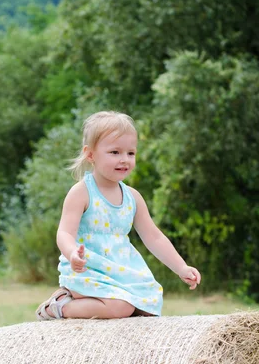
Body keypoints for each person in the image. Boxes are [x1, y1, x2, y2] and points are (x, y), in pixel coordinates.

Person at [36, 111, 201, 320]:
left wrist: (181, 267)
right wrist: (72, 254)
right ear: (90, 154)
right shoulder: (82, 192)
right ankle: (60, 306)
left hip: (122, 271)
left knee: (149, 307)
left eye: (130, 153)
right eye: (115, 152)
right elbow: (64, 233)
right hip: (89, 270)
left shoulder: (133, 197)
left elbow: (154, 237)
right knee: (120, 308)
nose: (124, 160)